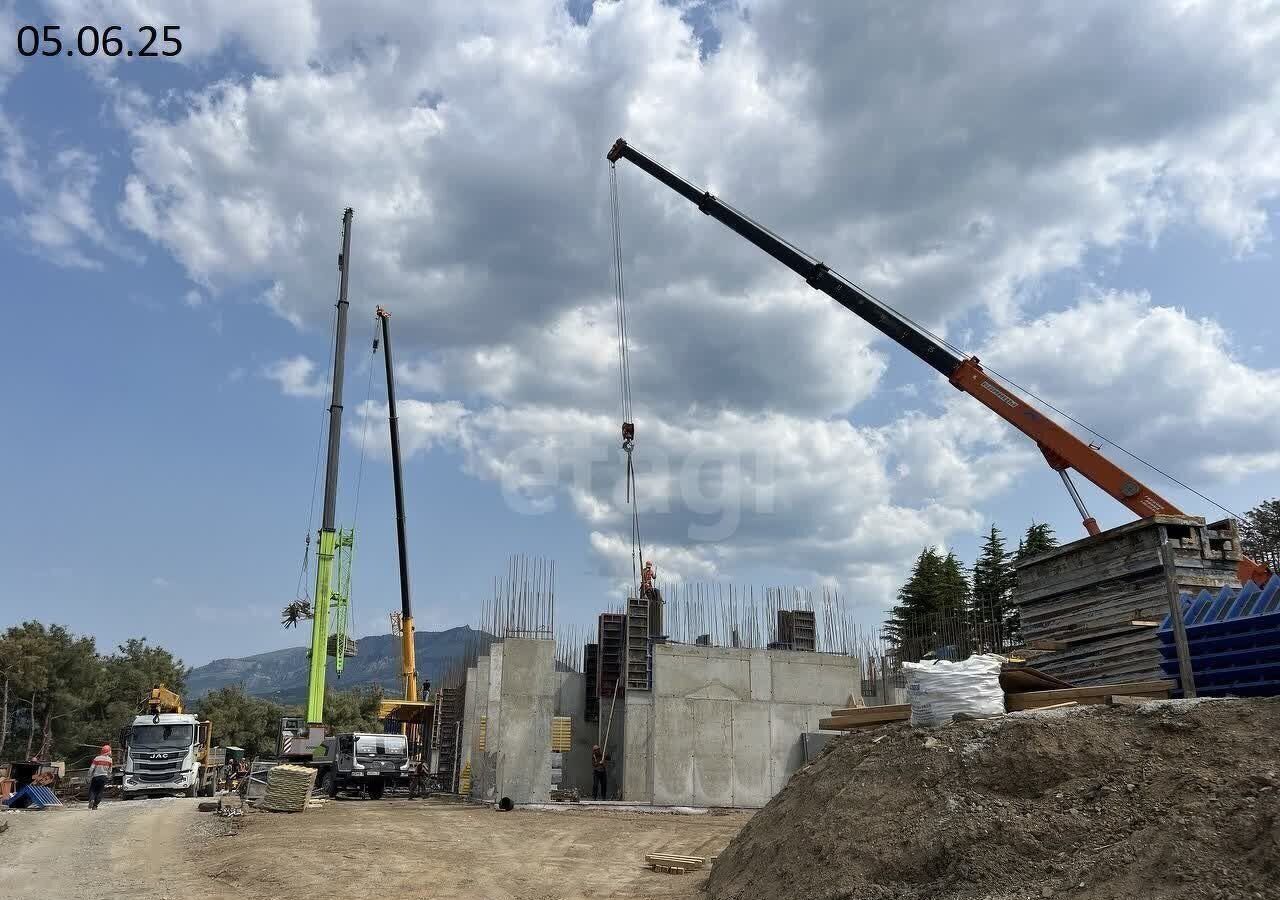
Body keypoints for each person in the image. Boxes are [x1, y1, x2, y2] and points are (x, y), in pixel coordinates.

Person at [88, 745, 113, 810]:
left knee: (92, 789)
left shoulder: (97, 758)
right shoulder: (110, 760)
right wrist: (108, 776)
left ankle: (92, 799)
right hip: (104, 777)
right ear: (108, 752)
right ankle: (95, 806)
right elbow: (110, 770)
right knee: (100, 791)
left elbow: (91, 768)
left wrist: (89, 776)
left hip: (96, 776)